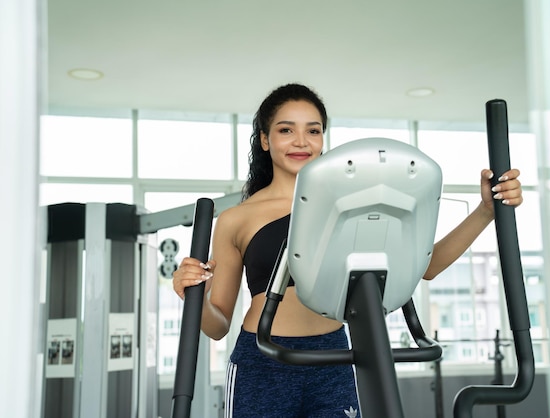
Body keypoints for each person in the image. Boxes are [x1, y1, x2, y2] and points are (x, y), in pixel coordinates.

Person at [172, 83, 523, 418]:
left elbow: (424, 265)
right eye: (285, 130)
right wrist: (195, 298)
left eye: (313, 130)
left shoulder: (349, 202)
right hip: (263, 361)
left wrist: (485, 212)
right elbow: (217, 324)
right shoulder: (236, 218)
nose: (301, 141)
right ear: (264, 140)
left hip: (335, 354)